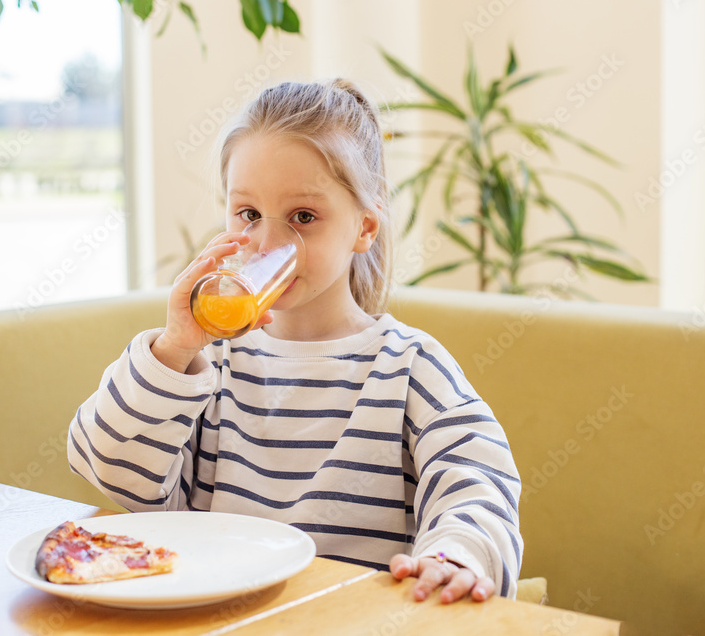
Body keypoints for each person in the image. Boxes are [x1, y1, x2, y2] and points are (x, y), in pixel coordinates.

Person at [67, 79, 523, 603]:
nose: (268, 242)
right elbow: (108, 469)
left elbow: (476, 480)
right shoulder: (203, 365)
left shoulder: (408, 367)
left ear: (364, 228)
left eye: (303, 218)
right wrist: (173, 346)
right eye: (249, 214)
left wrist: (454, 554)